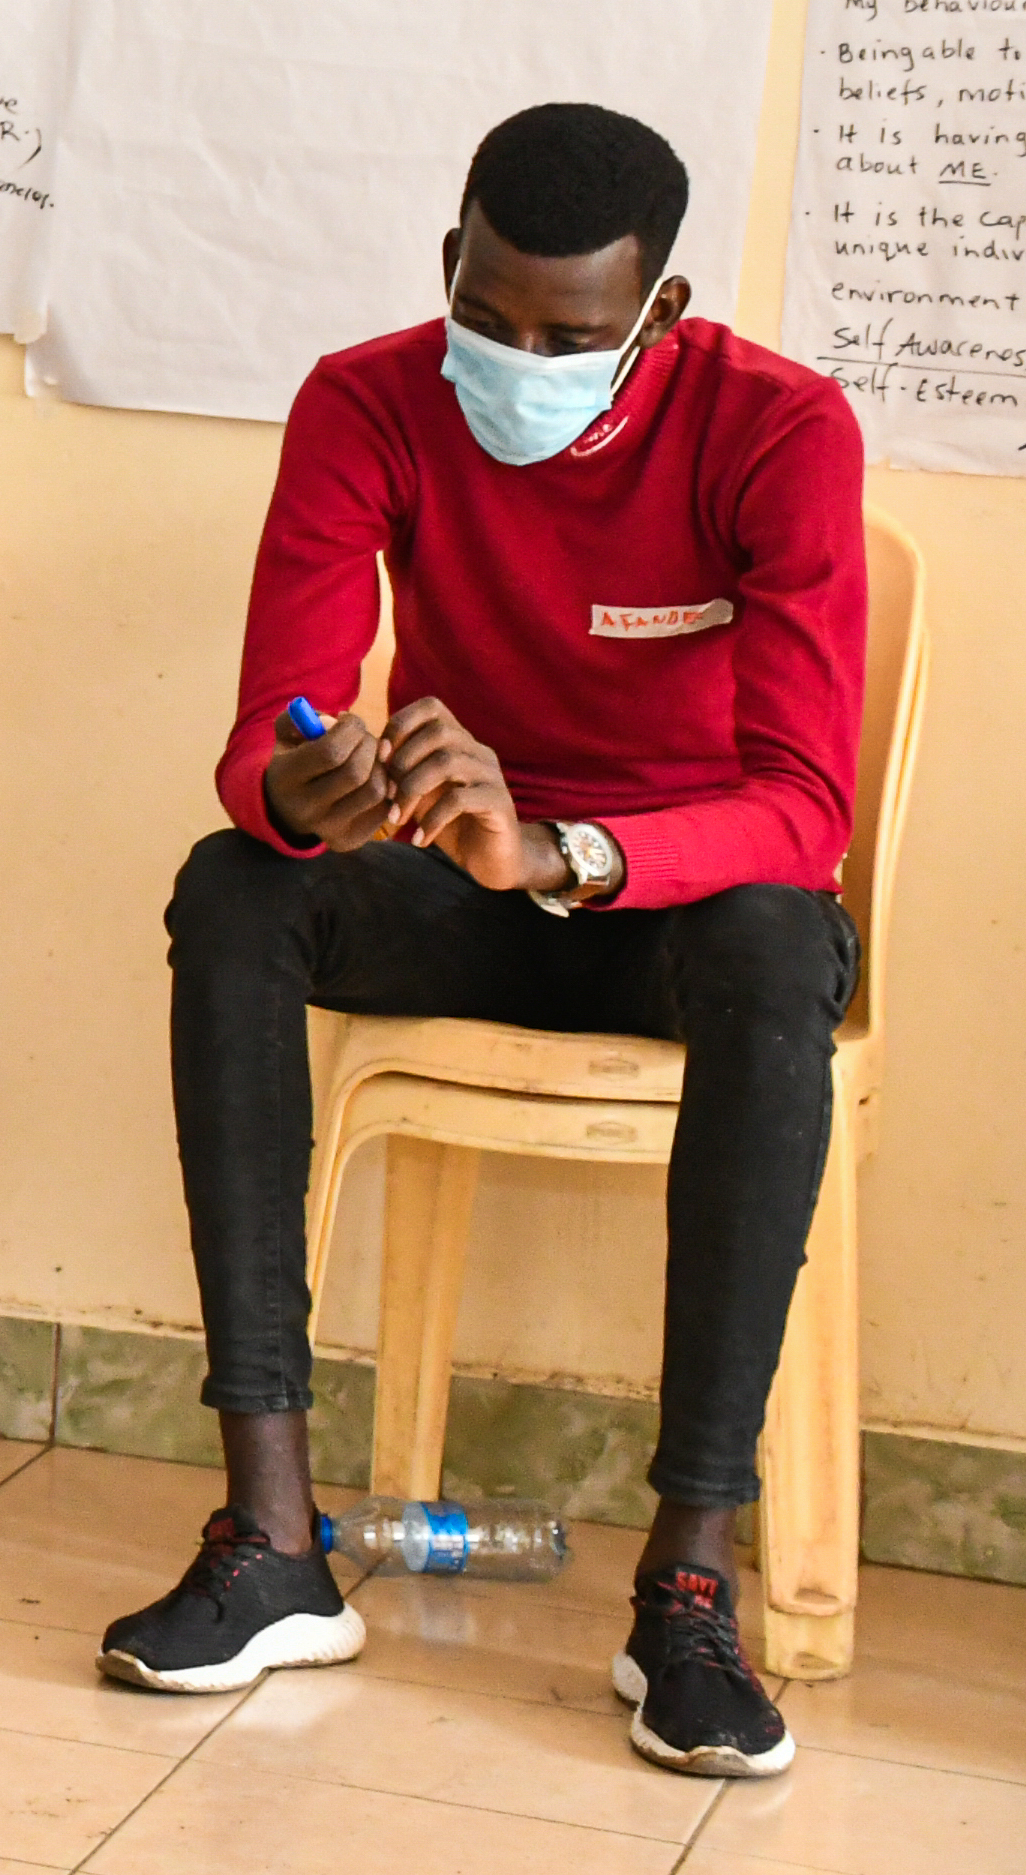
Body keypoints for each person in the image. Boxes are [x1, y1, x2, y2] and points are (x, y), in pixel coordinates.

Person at [99, 104, 858, 1781]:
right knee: (236, 886)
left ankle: (687, 1591)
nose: (520, 357)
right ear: (450, 263)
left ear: (655, 315)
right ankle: (275, 1540)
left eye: (569, 336)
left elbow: (805, 808)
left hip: (669, 900)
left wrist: (565, 850)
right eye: (489, 314)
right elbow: (262, 748)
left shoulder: (779, 429)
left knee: (778, 946)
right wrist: (312, 791)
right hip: (456, 887)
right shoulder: (365, 397)